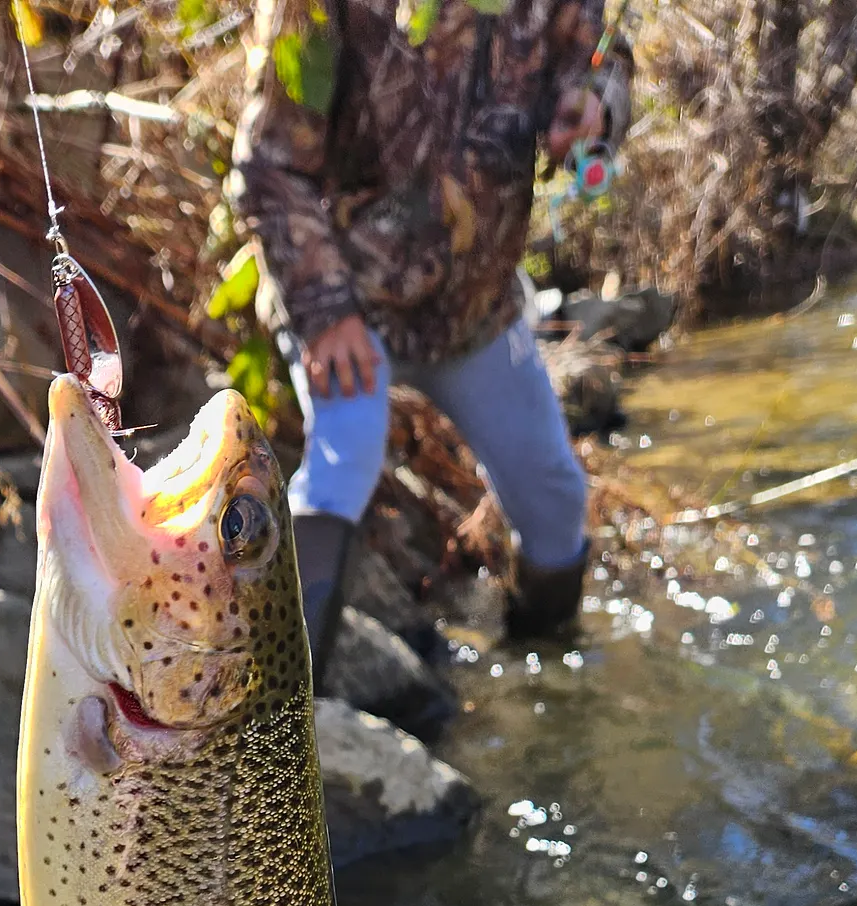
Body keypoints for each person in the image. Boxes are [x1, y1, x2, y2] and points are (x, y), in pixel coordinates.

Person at [228, 0, 633, 667]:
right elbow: (268, 166)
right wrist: (327, 311)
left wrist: (593, 108)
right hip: (349, 306)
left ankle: (544, 683)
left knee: (555, 496)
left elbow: (605, 55)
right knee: (344, 462)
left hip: (476, 317)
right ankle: (279, 716)